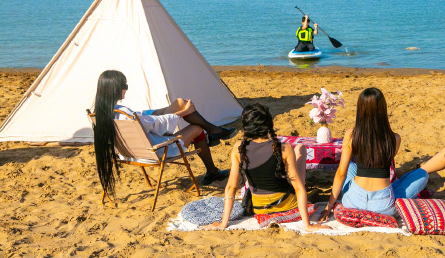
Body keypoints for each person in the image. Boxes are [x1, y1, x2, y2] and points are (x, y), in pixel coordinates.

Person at [91, 70, 236, 198]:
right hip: (157, 149)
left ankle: (213, 134)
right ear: (115, 89)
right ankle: (212, 165)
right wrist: (183, 113)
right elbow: (152, 124)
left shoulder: (99, 113)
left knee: (179, 103)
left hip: (128, 152)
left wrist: (170, 110)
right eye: (125, 86)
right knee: (197, 127)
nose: (126, 90)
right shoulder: (125, 114)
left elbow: (144, 119)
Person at [201, 103, 329, 231]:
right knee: (300, 149)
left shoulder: (239, 149)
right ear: (268, 124)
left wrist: (224, 223)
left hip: (260, 209)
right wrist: (307, 225)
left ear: (246, 126)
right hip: (286, 205)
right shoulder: (284, 148)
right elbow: (298, 187)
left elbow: (231, 187)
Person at [318, 88, 428, 221]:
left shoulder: (352, 135)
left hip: (352, 203)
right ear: (383, 109)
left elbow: (341, 173)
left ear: (360, 110)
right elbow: (384, 165)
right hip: (384, 207)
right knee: (422, 174)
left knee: (348, 167)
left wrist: (329, 206)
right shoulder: (394, 138)